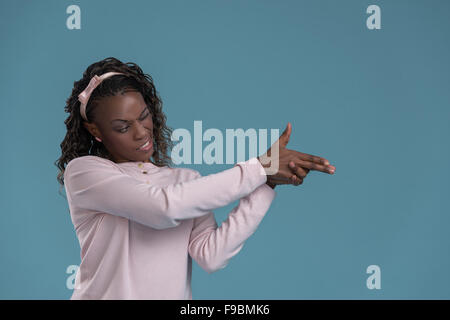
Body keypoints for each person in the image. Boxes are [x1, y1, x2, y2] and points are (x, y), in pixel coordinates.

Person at [55, 57, 336, 299]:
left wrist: (266, 184)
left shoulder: (186, 180)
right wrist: (259, 168)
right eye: (122, 126)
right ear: (95, 130)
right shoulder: (84, 173)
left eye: (144, 116)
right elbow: (162, 208)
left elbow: (211, 255)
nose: (141, 132)